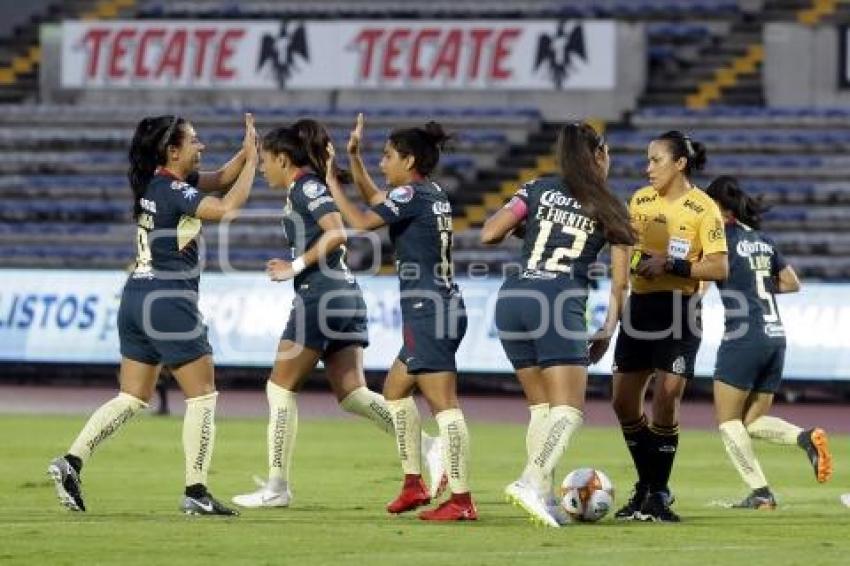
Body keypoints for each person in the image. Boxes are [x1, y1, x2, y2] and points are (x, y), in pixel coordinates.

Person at [48, 113, 259, 515]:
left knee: (132, 397)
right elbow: (229, 206)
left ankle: (71, 461)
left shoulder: (155, 184)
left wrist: (245, 152)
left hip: (136, 299)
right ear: (172, 150)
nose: (201, 147)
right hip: (168, 299)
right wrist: (252, 163)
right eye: (194, 141)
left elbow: (218, 178)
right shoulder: (176, 192)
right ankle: (196, 491)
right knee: (203, 396)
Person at [231, 119, 443, 509]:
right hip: (344, 296)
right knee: (353, 394)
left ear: (283, 158)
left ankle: (277, 486)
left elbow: (338, 232)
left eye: (264, 160)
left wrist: (293, 268)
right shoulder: (306, 188)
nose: (262, 168)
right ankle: (428, 446)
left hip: (321, 296)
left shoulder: (306, 187)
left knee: (279, 389)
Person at [479, 122, 634, 527]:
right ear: (598, 155)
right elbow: (621, 281)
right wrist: (608, 328)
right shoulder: (611, 207)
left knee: (542, 407)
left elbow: (489, 232)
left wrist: (524, 226)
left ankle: (544, 497)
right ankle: (530, 482)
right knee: (569, 410)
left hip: (514, 298)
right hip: (558, 299)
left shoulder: (535, 188)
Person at [324, 114, 476, 521]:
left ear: (409, 162)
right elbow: (378, 202)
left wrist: (333, 183)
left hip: (432, 312)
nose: (381, 163)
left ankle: (461, 499)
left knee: (444, 405)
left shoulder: (413, 196)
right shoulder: (429, 193)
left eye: (387, 156)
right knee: (394, 390)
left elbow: (359, 222)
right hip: (436, 308)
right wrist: (353, 160)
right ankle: (414, 484)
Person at [612, 131, 729, 522]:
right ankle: (649, 486)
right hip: (640, 308)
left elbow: (719, 267)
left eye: (656, 160)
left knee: (667, 395)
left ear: (680, 163)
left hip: (680, 309)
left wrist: (671, 264)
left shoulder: (704, 208)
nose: (647, 169)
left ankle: (656, 495)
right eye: (647, 160)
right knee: (622, 402)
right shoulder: (639, 200)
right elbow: (626, 252)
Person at [705, 175, 832, 509]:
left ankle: (760, 493)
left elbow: (700, 281)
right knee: (753, 422)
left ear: (717, 207)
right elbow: (792, 283)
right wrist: (755, 283)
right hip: (775, 337)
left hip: (743, 337)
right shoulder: (762, 239)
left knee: (728, 422)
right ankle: (805, 438)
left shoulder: (721, 240)